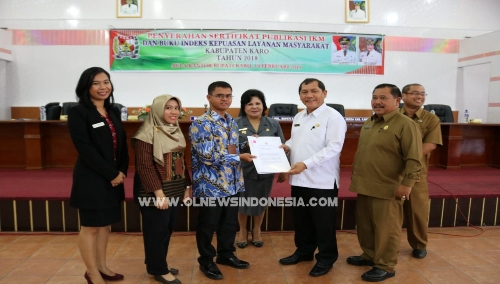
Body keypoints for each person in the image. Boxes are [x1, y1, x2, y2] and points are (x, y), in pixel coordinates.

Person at [347, 84, 423, 282]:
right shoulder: (370, 122)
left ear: (397, 101)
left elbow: (414, 158)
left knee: (386, 229)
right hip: (364, 185)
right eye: (374, 97)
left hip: (388, 187)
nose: (377, 102)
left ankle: (385, 265)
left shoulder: (406, 124)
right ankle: (370, 255)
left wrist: (407, 184)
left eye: (383, 97)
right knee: (365, 226)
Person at [279, 78, 347, 277]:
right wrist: (287, 146)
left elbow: (334, 147)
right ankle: (304, 251)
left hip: (321, 181)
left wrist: (306, 164)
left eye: (314, 91)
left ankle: (326, 258)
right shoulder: (300, 116)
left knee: (323, 224)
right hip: (299, 179)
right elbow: (297, 139)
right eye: (304, 92)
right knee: (302, 221)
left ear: (324, 93)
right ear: (299, 95)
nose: (309, 95)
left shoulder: (333, 117)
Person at [189, 81, 255, 280]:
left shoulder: (231, 122)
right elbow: (207, 156)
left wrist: (256, 146)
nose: (225, 99)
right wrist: (239, 158)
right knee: (208, 225)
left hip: (232, 184)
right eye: (220, 95)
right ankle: (206, 261)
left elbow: (232, 147)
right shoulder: (200, 123)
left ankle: (226, 255)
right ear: (209, 98)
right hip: (210, 186)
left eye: (228, 95)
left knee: (228, 224)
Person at [68, 67, 129, 284]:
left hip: (113, 178)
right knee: (91, 226)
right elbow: (85, 149)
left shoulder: (113, 111)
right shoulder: (79, 112)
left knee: (105, 225)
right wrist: (111, 173)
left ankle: (102, 266)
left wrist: (122, 170)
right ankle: (91, 272)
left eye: (106, 82)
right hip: (92, 178)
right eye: (96, 83)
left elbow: (121, 145)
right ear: (86, 86)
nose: (103, 87)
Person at [132, 95, 191, 284]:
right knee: (156, 231)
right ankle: (159, 269)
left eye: (176, 108)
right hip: (154, 191)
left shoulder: (175, 130)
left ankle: (157, 263)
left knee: (165, 229)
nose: (174, 112)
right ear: (157, 109)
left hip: (174, 188)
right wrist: (158, 194)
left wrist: (187, 187)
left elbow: (181, 161)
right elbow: (144, 167)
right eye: (168, 108)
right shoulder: (145, 134)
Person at [234, 89, 287, 249]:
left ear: (264, 105)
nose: (254, 107)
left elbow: (283, 146)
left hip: (266, 170)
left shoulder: (273, 123)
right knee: (242, 202)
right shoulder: (235, 123)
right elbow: (229, 149)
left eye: (258, 103)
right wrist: (246, 145)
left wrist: (284, 169)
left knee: (261, 200)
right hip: (243, 170)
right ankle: (242, 231)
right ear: (244, 107)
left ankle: (257, 229)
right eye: (250, 104)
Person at [400, 84, 442, 259]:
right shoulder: (392, 116)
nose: (420, 96)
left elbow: (430, 145)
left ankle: (419, 245)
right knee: (389, 212)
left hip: (416, 171)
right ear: (403, 96)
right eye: (415, 93)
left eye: (422, 94)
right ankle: (387, 244)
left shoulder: (430, 119)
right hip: (390, 171)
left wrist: (404, 157)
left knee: (417, 210)